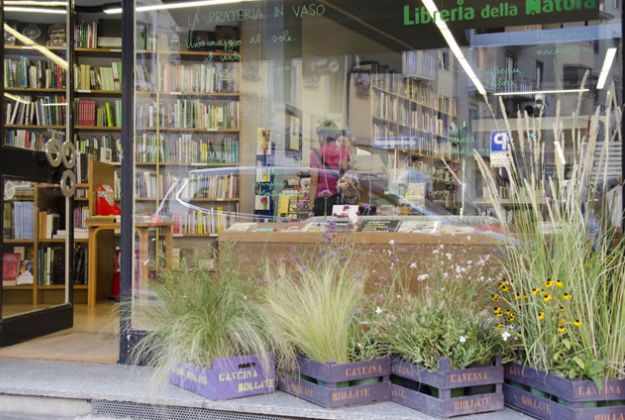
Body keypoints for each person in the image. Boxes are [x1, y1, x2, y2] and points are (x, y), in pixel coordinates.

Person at [309, 121, 351, 216]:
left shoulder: (315, 153)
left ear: (321, 136)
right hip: (340, 201)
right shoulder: (343, 153)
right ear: (336, 136)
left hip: (321, 202)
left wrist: (310, 207)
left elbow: (314, 181)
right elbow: (347, 178)